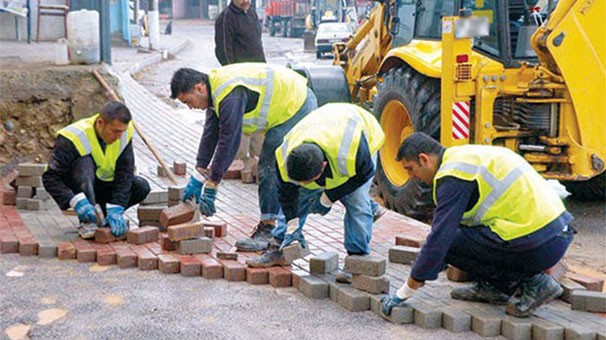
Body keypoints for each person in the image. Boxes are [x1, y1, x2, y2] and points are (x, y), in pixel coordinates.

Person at [381, 132, 574, 318]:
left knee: (449, 243)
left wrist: (404, 291)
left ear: (424, 159)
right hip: (556, 233)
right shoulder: (464, 157)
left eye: (410, 168)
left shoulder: (453, 176)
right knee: (457, 234)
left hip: (539, 244)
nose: (411, 176)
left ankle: (534, 283)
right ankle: (495, 288)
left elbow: (440, 238)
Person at [169, 64, 317, 252]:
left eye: (188, 101)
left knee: (270, 162)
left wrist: (212, 184)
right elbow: (210, 133)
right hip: (288, 105)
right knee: (269, 159)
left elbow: (229, 139)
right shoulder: (215, 93)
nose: (190, 107)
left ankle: (269, 229)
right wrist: (198, 174)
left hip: (297, 104)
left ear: (199, 88)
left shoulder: (230, 93)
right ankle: (272, 224)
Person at [246, 103, 386, 280]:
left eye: (310, 180)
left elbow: (363, 175)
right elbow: (287, 195)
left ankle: (357, 259)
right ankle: (280, 247)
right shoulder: (285, 156)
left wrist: (328, 197)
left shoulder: (350, 150)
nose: (305, 183)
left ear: (323, 166)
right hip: (322, 125)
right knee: (303, 194)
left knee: (356, 201)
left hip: (364, 133)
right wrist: (292, 225)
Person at [42, 101, 151, 239]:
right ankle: (87, 220)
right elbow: (50, 178)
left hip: (103, 187)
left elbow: (125, 173)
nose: (119, 137)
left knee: (141, 186)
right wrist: (73, 200)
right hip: (81, 190)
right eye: (115, 131)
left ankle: (104, 217)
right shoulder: (74, 136)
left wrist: (117, 206)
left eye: (122, 131)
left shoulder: (123, 134)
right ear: (100, 123)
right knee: (84, 163)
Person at [214, 0, 266, 66]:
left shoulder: (252, 12)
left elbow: (257, 42)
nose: (246, 1)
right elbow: (223, 51)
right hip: (240, 71)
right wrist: (232, 71)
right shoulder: (226, 17)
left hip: (258, 69)